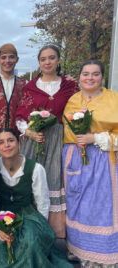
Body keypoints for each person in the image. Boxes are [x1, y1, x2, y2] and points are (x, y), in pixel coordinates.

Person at [0, 129, 73, 268]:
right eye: (1, 142)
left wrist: (39, 228)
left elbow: (43, 202)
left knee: (29, 243)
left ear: (19, 143)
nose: (6, 145)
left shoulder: (35, 168)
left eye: (11, 140)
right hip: (1, 215)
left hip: (28, 215)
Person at [16, 45, 78, 238]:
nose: (47, 62)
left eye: (52, 58)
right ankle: (26, 230)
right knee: (31, 180)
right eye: (43, 59)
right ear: (39, 62)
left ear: (58, 60)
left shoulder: (69, 86)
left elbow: (78, 110)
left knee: (54, 180)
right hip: (34, 140)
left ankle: (53, 233)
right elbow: (20, 115)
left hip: (58, 141)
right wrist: (29, 132)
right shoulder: (30, 87)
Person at [62, 60, 118, 267]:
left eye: (95, 74)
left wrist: (95, 139)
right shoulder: (73, 100)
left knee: (100, 207)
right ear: (79, 77)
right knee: (77, 205)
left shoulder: (114, 99)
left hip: (104, 161)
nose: (90, 78)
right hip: (75, 158)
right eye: (86, 74)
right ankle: (78, 249)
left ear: (102, 77)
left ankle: (103, 256)